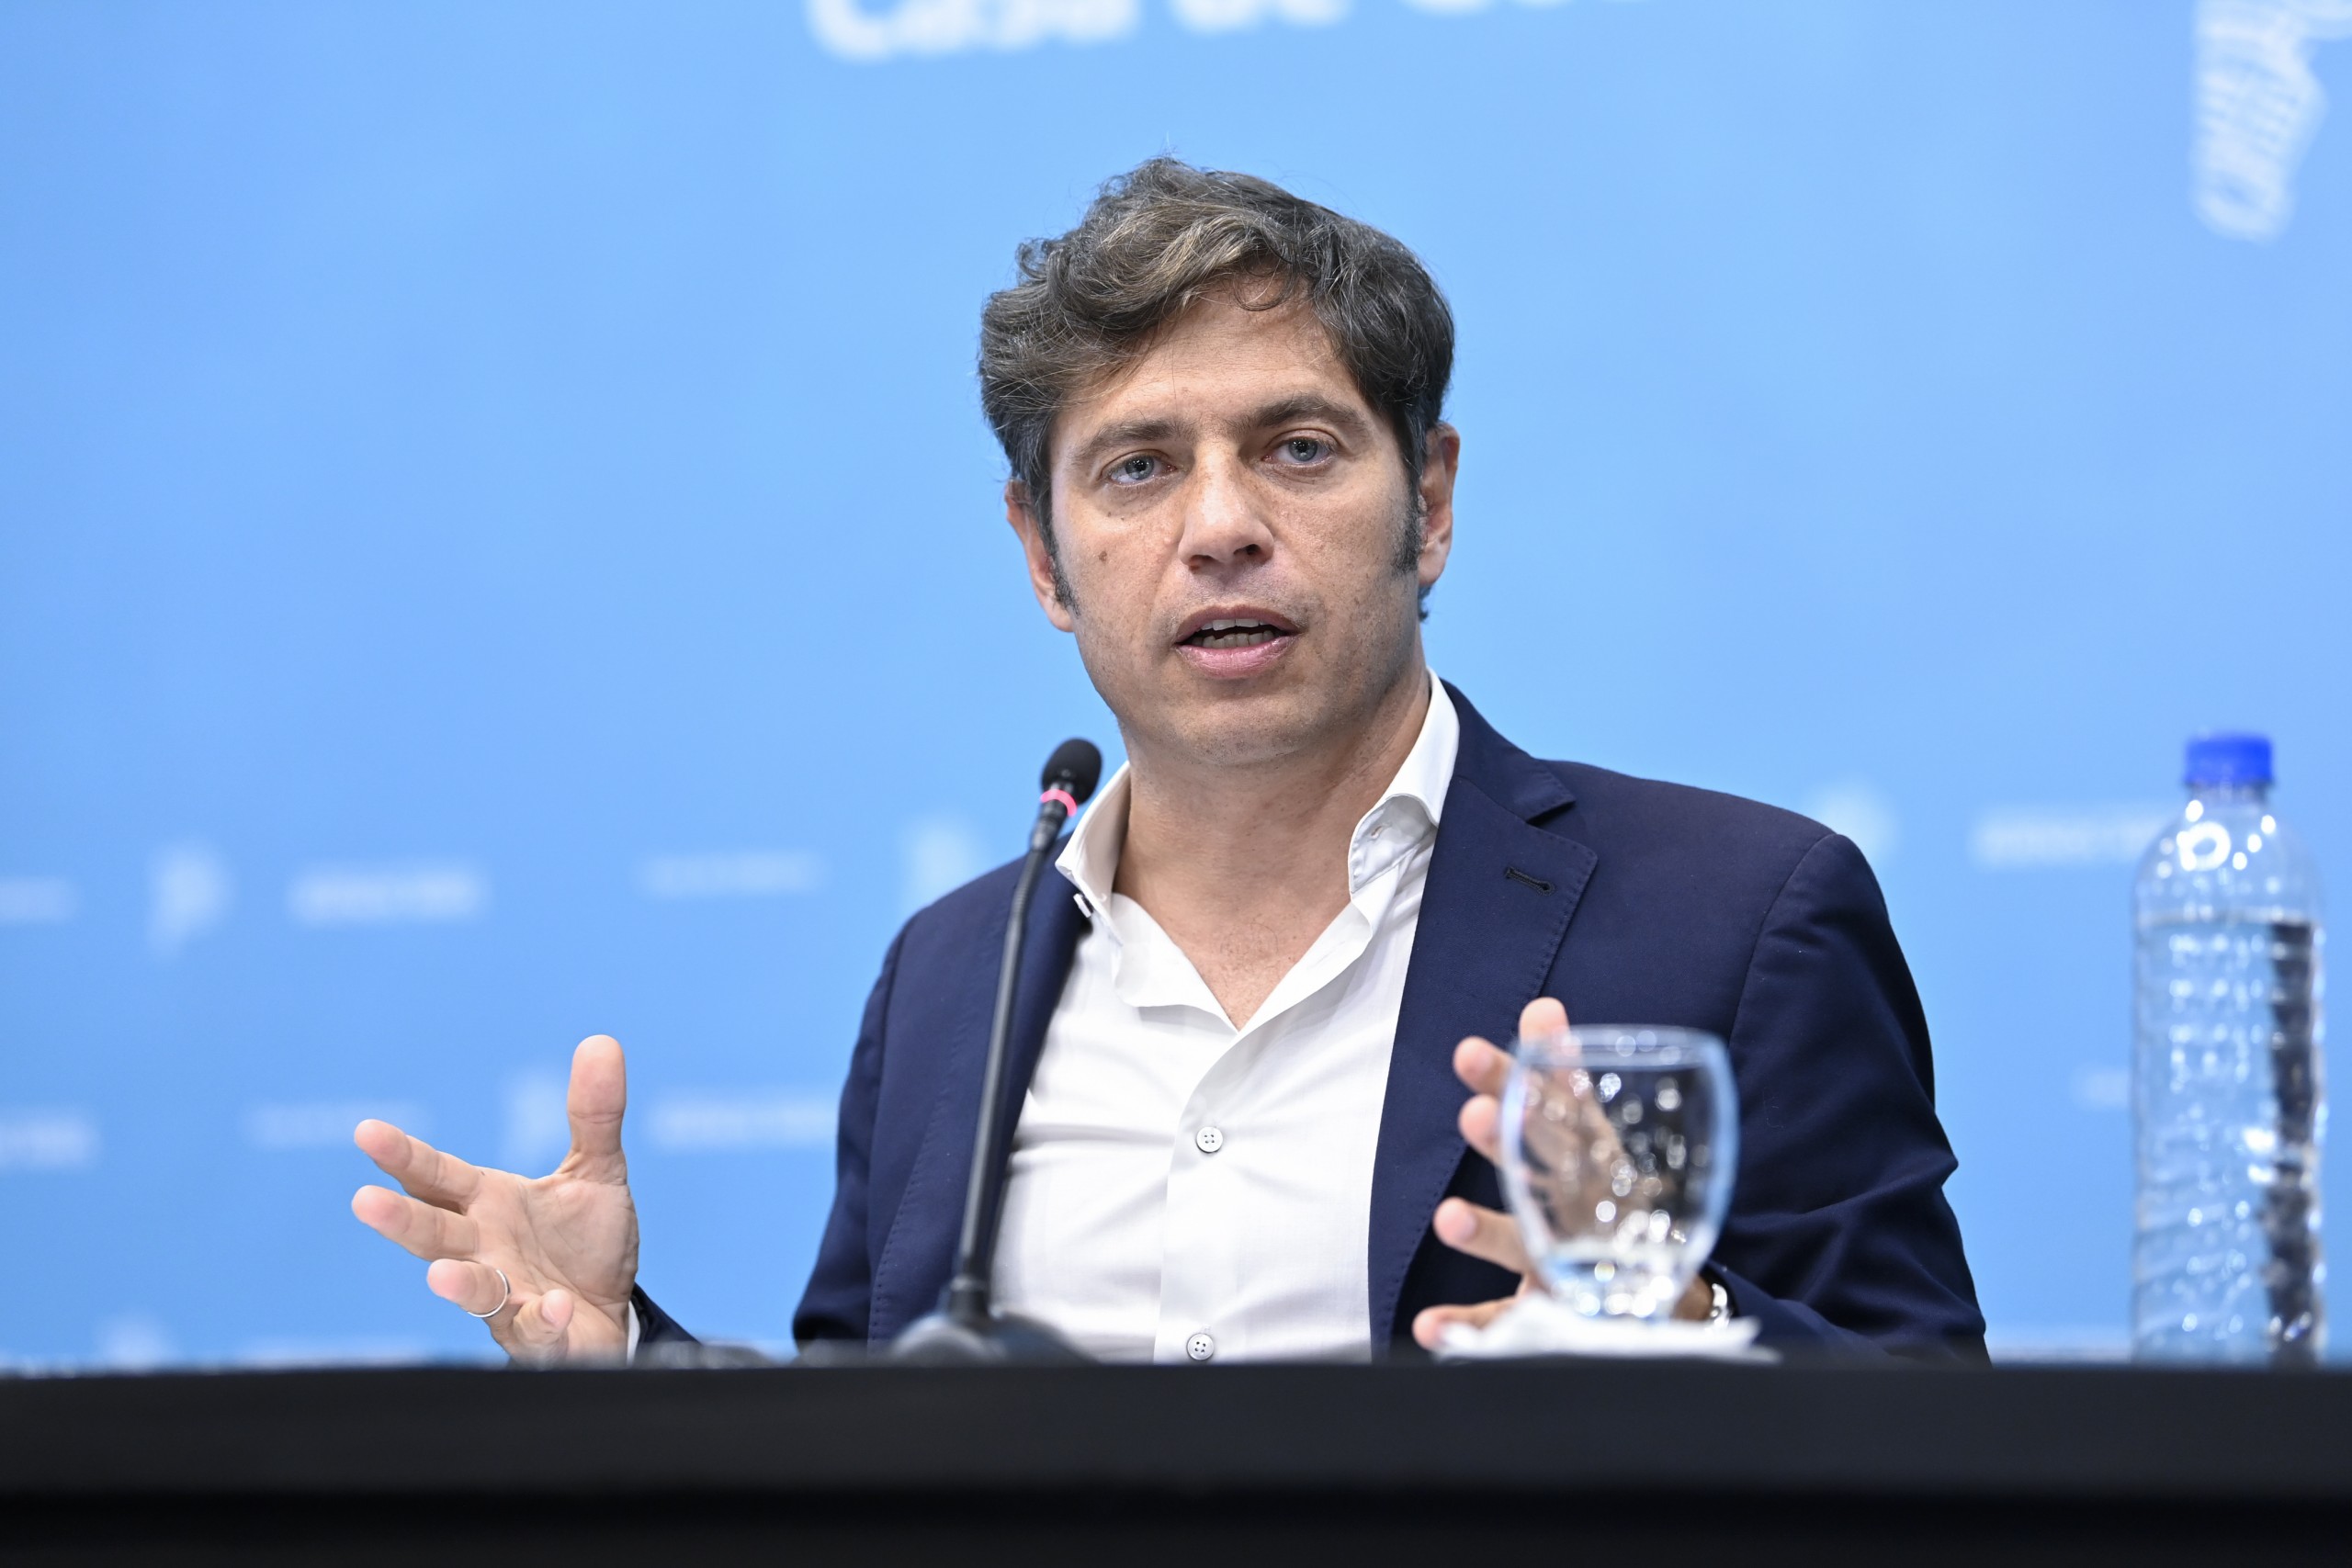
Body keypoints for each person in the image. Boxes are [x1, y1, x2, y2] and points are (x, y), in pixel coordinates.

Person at [352, 159, 1984, 1363]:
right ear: (1043, 558)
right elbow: (864, 1460)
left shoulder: (1737, 915)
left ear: (1428, 504)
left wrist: (1673, 1324)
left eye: (1297, 448)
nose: (1220, 528)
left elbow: (1935, 1439)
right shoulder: (955, 977)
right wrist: (629, 1363)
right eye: (1137, 468)